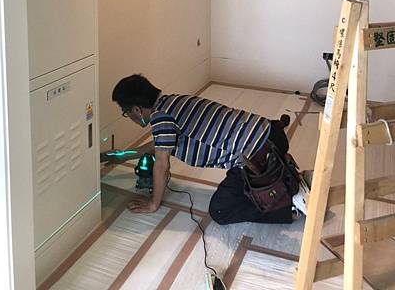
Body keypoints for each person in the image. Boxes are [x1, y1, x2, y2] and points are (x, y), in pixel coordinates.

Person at [111, 74, 302, 224]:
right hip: (273, 134)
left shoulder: (160, 118)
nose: (128, 116)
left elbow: (162, 165)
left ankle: (290, 206)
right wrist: (124, 155)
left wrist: (153, 203)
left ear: (136, 110)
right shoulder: (173, 102)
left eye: (125, 112)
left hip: (256, 157)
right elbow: (159, 144)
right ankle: (283, 175)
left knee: (220, 210)